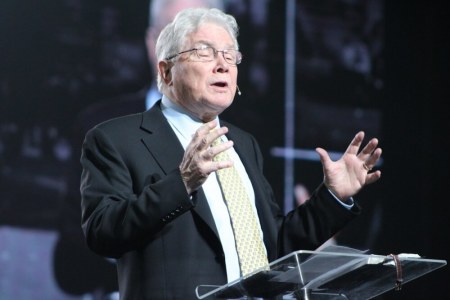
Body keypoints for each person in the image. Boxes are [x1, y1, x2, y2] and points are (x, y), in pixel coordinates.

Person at [80, 7, 382, 299]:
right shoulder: (116, 139)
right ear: (166, 70)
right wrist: (181, 183)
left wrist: (332, 196)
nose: (222, 64)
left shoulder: (244, 143)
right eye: (205, 52)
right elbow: (103, 233)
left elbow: (271, 248)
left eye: (230, 55)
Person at [53, 1, 225, 298]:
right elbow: (75, 247)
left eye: (204, 42)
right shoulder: (101, 128)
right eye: (176, 35)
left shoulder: (246, 139)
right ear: (151, 44)